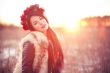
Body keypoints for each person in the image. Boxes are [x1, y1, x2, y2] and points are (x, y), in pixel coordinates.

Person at [13, 4, 64, 73]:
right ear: (33, 28)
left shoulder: (53, 37)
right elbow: (26, 69)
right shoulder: (30, 41)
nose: (41, 23)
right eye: (35, 23)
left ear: (45, 18)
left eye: (41, 18)